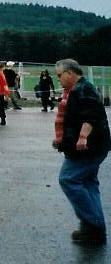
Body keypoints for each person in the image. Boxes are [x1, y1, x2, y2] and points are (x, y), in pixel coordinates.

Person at [52, 59, 110, 245]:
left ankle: (93, 224)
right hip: (92, 146)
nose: (58, 78)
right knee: (88, 182)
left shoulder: (83, 90)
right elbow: (72, 119)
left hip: (87, 148)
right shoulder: (78, 89)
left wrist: (83, 137)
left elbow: (91, 116)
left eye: (60, 75)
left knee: (68, 179)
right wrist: (61, 140)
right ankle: (94, 229)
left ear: (70, 73)